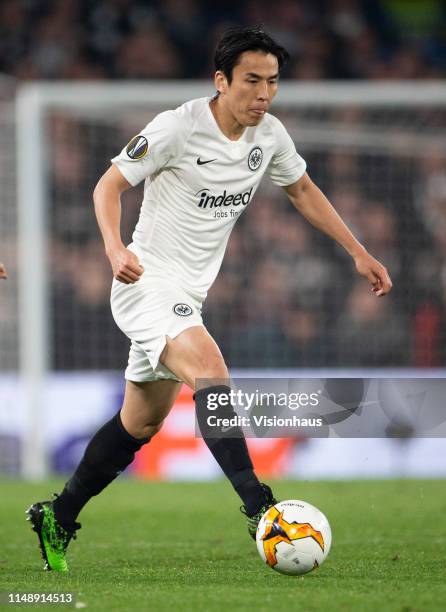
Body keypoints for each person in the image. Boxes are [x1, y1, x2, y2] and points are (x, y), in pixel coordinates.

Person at [26, 25, 392, 572]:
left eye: (272, 82)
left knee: (140, 424)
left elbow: (302, 189)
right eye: (251, 81)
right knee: (211, 368)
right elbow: (108, 185)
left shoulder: (269, 135)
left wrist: (357, 251)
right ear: (221, 81)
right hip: (143, 282)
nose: (263, 94)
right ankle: (259, 506)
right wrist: (112, 248)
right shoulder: (177, 127)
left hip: (188, 295)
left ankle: (59, 514)